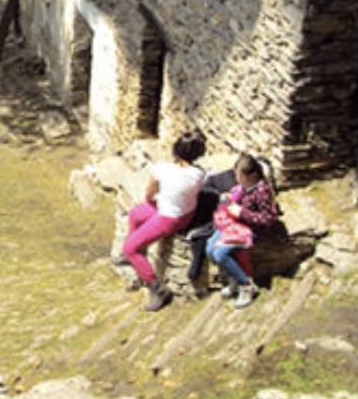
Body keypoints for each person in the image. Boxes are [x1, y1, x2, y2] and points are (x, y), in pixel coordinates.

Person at [115, 131, 207, 312]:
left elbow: (149, 193)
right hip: (184, 211)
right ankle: (135, 258)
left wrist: (149, 200)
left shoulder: (162, 169)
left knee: (129, 247)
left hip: (170, 218)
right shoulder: (199, 173)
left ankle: (156, 287)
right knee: (135, 214)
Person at [206, 154, 279, 310]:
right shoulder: (244, 187)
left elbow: (266, 219)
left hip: (249, 228)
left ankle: (246, 285)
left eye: (240, 176)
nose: (237, 179)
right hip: (235, 225)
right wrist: (228, 199)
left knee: (220, 253)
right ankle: (233, 278)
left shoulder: (262, 192)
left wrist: (242, 212)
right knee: (210, 250)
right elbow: (238, 196)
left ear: (253, 175)